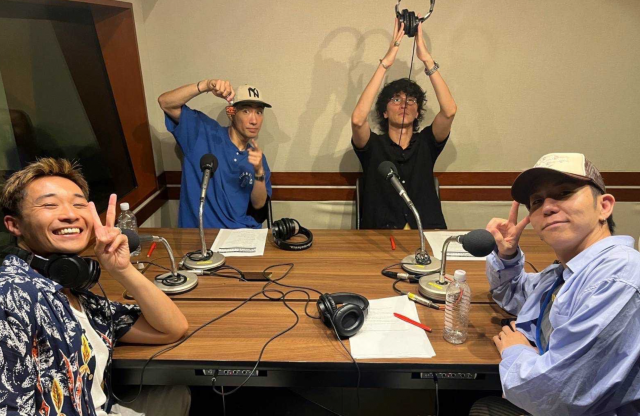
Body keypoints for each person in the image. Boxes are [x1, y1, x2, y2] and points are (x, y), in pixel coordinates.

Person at [0, 158, 191, 416]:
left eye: (79, 204)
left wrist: (122, 269)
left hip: (96, 408)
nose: (71, 214)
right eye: (49, 205)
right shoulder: (12, 296)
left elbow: (171, 328)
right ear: (14, 225)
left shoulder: (70, 289)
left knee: (176, 394)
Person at [471, 153, 640, 415]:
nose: (547, 207)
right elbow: (515, 295)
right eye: (537, 201)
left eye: (564, 193)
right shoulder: (567, 271)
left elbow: (556, 394)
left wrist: (516, 351)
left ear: (604, 206)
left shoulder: (616, 278)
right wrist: (507, 254)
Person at [351, 18, 457, 229]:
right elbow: (357, 120)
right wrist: (385, 63)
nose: (404, 105)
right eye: (396, 100)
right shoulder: (373, 146)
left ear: (417, 112)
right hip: (380, 235)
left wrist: (426, 59)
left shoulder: (426, 142)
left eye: (411, 100)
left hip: (428, 231)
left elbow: (449, 111)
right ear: (384, 112)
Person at [159, 80, 273, 229]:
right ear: (231, 113)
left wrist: (258, 172)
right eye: (246, 111)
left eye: (259, 112)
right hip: (202, 234)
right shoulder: (203, 132)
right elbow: (165, 102)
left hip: (242, 233)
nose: (254, 120)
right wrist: (206, 85)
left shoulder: (258, 158)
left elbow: (259, 205)